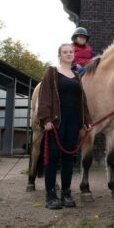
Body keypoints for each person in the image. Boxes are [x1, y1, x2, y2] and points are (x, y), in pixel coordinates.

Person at [37, 43, 92, 209]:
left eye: (71, 52)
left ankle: (66, 194)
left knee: (69, 158)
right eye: (65, 52)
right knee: (53, 158)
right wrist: (45, 119)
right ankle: (51, 196)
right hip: (56, 122)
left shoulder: (76, 75)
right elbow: (45, 95)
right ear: (59, 55)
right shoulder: (52, 72)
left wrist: (87, 120)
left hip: (73, 122)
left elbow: (81, 100)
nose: (69, 54)